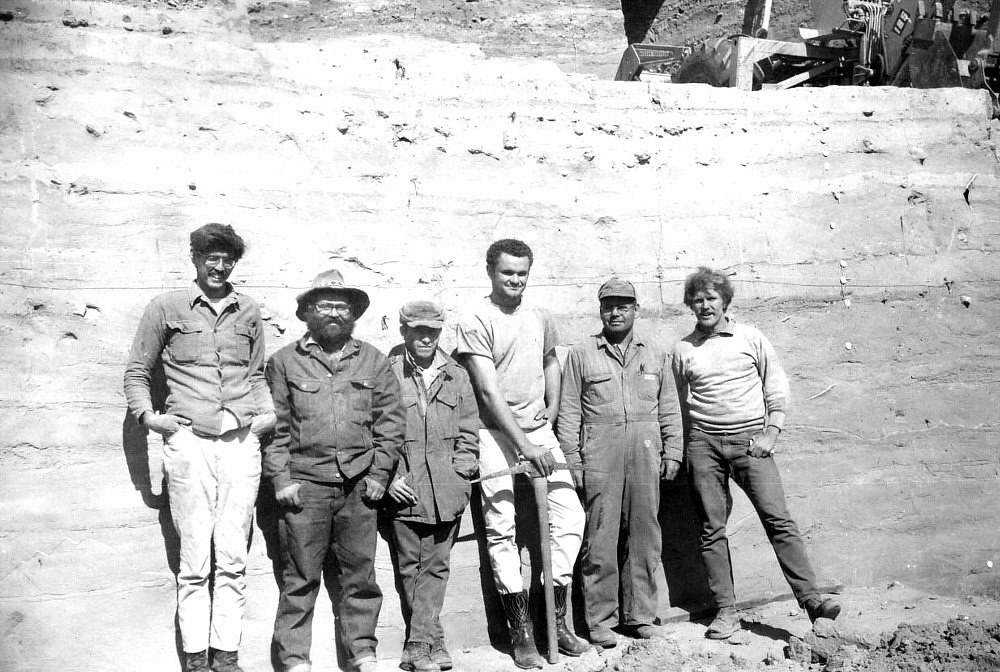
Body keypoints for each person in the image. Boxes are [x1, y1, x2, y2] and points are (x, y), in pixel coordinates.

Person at [123, 224, 276, 672]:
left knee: (233, 556)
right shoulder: (166, 307)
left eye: (228, 257)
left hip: (240, 441)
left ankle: (225, 657)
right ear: (194, 257)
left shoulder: (247, 309)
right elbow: (137, 372)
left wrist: (265, 417)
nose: (220, 265)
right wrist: (153, 420)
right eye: (211, 255)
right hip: (188, 441)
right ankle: (195, 659)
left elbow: (255, 373)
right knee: (194, 560)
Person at [670, 267, 841, 640]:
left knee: (778, 520)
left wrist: (772, 430)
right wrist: (688, 446)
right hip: (705, 445)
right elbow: (677, 403)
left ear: (724, 301)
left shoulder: (750, 337)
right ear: (690, 305)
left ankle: (812, 601)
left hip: (751, 442)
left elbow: (775, 383)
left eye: (711, 298)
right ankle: (726, 613)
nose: (704, 306)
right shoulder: (683, 349)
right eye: (697, 300)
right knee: (711, 530)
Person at [454, 238, 590, 669]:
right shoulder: (476, 317)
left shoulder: (539, 314)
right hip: (494, 433)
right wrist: (525, 447)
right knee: (502, 528)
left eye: (521, 273)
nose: (515, 280)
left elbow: (552, 360)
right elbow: (489, 392)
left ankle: (556, 620)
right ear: (491, 272)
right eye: (506, 272)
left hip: (536, 431)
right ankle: (522, 633)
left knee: (570, 516)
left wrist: (549, 410)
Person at [264, 269, 405, 672]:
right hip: (304, 488)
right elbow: (276, 428)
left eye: (342, 306)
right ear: (308, 311)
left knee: (359, 577)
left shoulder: (373, 361)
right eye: (324, 305)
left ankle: (363, 655)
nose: (333, 313)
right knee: (299, 579)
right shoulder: (285, 362)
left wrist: (379, 475)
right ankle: (295, 662)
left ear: (354, 314)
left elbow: (390, 423)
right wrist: (281, 479)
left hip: (359, 488)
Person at [556, 278, 683, 648]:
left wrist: (672, 451)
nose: (616, 312)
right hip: (600, 455)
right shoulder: (581, 354)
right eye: (609, 305)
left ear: (635, 310)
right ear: (600, 310)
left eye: (624, 305)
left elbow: (669, 408)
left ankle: (641, 615)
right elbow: (568, 412)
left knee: (645, 536)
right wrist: (573, 463)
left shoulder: (656, 354)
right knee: (600, 538)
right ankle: (600, 621)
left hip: (645, 452)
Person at [382, 300, 480, 672]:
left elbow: (469, 432)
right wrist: (389, 477)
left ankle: (419, 645)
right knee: (410, 566)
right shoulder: (387, 372)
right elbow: (374, 429)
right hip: (405, 487)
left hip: (446, 490)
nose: (425, 338)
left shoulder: (457, 374)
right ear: (404, 331)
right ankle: (430, 643)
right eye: (418, 331)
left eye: (433, 332)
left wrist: (461, 469)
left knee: (436, 566)